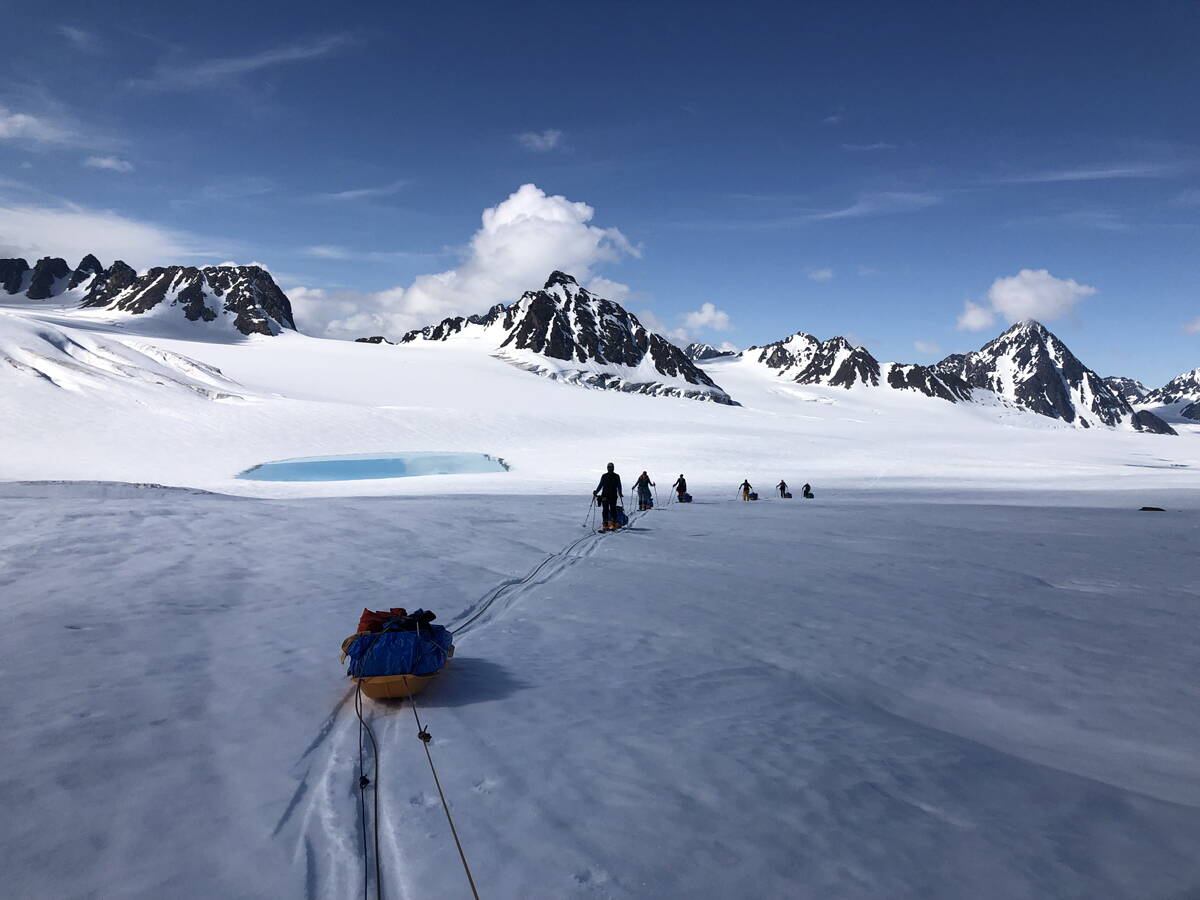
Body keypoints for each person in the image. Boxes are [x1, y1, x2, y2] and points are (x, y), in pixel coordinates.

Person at [594, 462, 624, 531]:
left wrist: (620, 493)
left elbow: (619, 485)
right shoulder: (604, 476)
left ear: (613, 468)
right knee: (605, 510)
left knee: (613, 510)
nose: (610, 468)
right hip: (605, 496)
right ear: (607, 468)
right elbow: (600, 485)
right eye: (609, 467)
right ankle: (605, 525)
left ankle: (613, 524)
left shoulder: (616, 476)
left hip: (613, 496)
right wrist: (596, 491)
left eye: (611, 467)